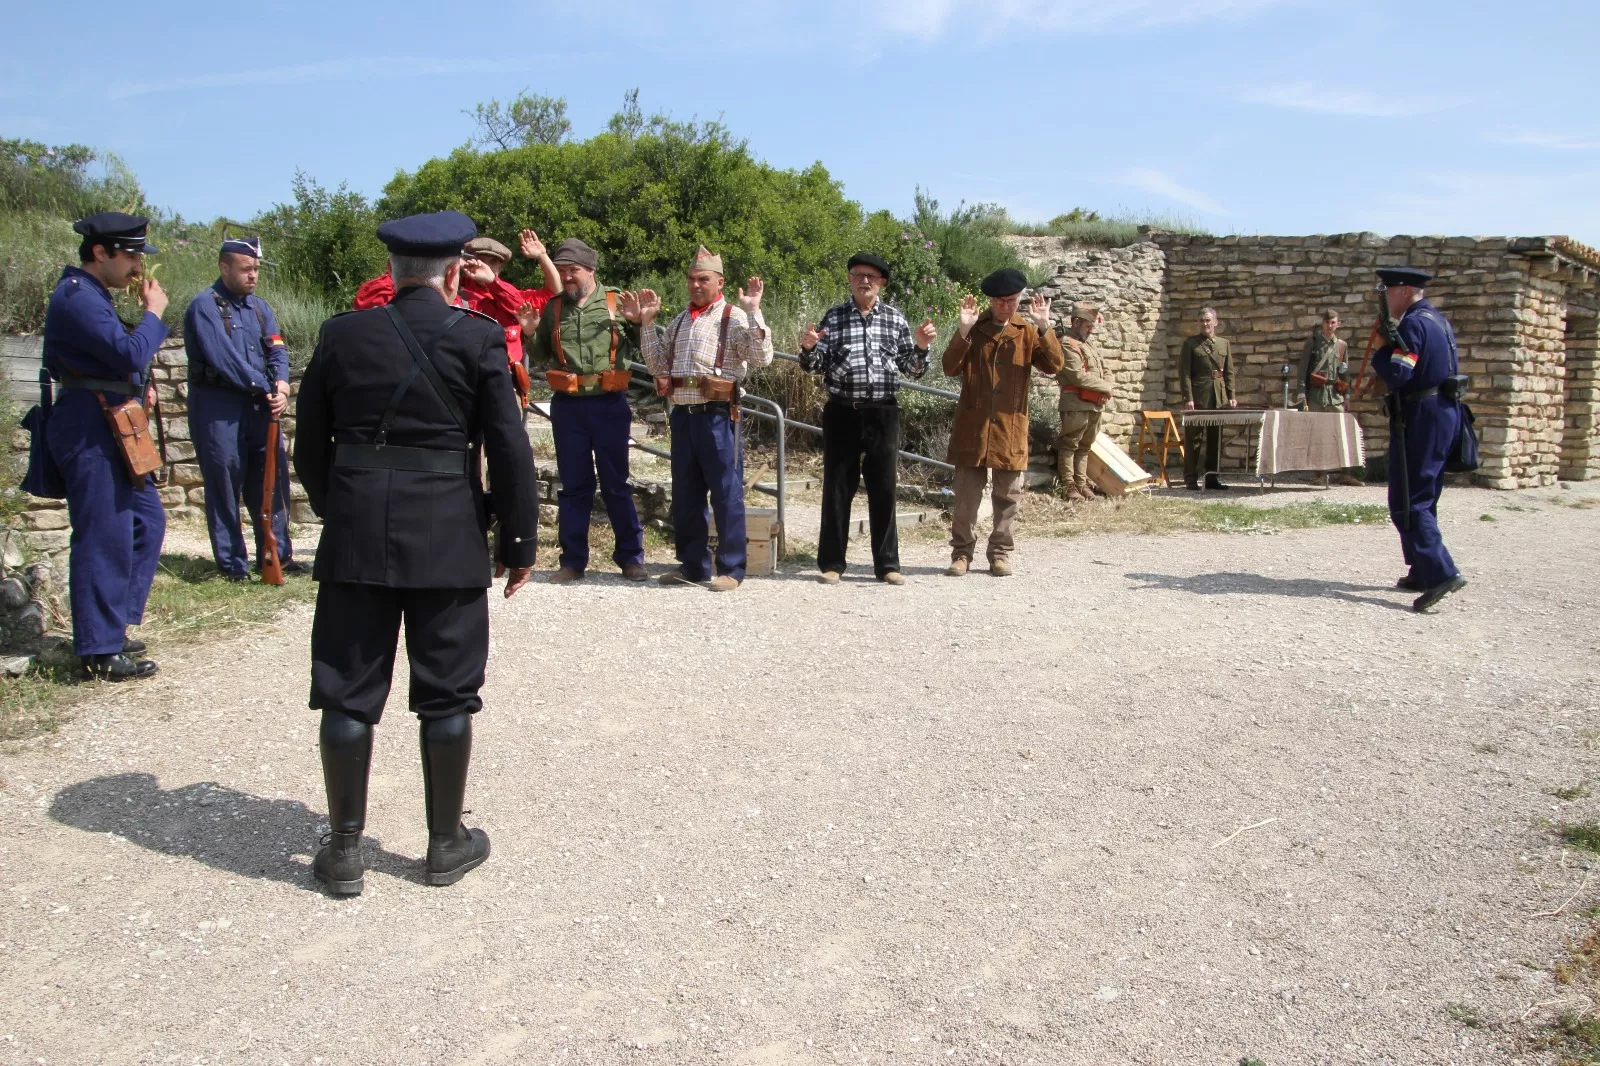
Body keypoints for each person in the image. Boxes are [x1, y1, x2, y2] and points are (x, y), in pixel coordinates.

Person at [293, 210, 540, 895]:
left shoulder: (342, 335)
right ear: (455, 271)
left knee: (346, 691)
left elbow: (309, 444)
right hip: (450, 533)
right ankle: (443, 845)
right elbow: (509, 448)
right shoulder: (480, 338)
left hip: (357, 534)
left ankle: (344, 854)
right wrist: (516, 539)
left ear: (393, 272)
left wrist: (336, 507)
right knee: (448, 692)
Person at [42, 213, 167, 681]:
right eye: (131, 254)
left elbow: (118, 358)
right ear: (100, 253)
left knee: (146, 522)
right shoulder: (77, 296)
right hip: (88, 427)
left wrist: (135, 387)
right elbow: (130, 351)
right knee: (102, 535)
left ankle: (111, 624)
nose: (137, 265)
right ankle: (98, 648)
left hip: (110, 420)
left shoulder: (92, 295)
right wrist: (154, 312)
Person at [631, 247, 771, 591]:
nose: (695, 284)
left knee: (726, 493)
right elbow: (658, 366)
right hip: (683, 416)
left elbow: (761, 357)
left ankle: (732, 568)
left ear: (719, 281)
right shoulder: (680, 320)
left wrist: (754, 312)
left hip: (719, 416)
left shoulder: (733, 316)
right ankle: (692, 565)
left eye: (703, 279)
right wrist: (646, 324)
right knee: (686, 494)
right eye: (692, 279)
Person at [797, 252, 936, 585]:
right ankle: (832, 563)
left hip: (883, 412)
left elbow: (912, 369)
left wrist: (920, 346)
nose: (864, 281)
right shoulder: (833, 316)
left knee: (884, 487)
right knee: (837, 487)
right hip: (842, 410)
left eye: (871, 277)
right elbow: (815, 367)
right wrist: (808, 349)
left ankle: (887, 565)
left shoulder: (896, 319)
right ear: (850, 279)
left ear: (881, 283)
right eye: (858, 275)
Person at [182, 235, 309, 582]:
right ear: (224, 268)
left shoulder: (259, 307)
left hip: (259, 406)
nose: (253, 275)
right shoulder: (204, 306)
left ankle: (278, 556)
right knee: (224, 479)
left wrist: (282, 383)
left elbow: (277, 347)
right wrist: (266, 386)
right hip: (218, 406)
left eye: (256, 269)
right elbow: (224, 360)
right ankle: (232, 563)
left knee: (271, 479)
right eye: (245, 269)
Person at [526, 238, 647, 584]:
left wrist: (639, 323)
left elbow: (642, 347)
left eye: (573, 270)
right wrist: (530, 333)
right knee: (574, 486)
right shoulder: (554, 308)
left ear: (590, 270)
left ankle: (631, 559)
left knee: (616, 484)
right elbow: (541, 355)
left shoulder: (615, 301)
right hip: (568, 407)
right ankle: (572, 561)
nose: (567, 277)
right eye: (562, 271)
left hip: (609, 404)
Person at [940, 269, 1064, 577]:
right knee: (966, 498)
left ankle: (1000, 554)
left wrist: (1045, 327)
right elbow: (949, 367)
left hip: (1010, 428)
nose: (1004, 306)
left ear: (1020, 299)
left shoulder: (1027, 332)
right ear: (990, 300)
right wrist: (963, 331)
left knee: (1008, 497)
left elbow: (1054, 366)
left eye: (1010, 301)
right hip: (973, 428)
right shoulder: (975, 328)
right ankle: (961, 554)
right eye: (998, 301)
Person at [1371, 266, 1467, 612]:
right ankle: (1420, 567)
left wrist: (1381, 350)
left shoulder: (1413, 324)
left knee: (1410, 499)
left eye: (1390, 291)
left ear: (1405, 291)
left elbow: (1399, 372)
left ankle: (1441, 572)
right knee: (1424, 493)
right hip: (1441, 413)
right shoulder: (1438, 321)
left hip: (1422, 416)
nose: (1387, 297)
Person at [1053, 301, 1114, 502]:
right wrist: (1105, 387)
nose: (1090, 331)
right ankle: (1069, 486)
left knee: (1085, 446)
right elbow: (1077, 377)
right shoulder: (1066, 344)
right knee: (1070, 444)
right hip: (1075, 402)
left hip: (1094, 403)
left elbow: (1107, 371)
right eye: (1087, 326)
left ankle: (1081, 484)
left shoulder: (1088, 345)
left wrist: (1108, 386)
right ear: (1076, 322)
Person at [1180, 306, 1237, 491]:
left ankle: (1212, 477)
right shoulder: (1190, 344)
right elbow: (1185, 374)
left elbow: (1229, 372)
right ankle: (1190, 478)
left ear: (1215, 322)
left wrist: (1231, 395)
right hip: (1198, 396)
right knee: (1194, 438)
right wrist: (1188, 397)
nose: (1205, 324)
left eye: (1208, 320)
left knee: (1215, 438)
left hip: (1218, 397)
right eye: (1202, 321)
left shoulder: (1224, 344)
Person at [1301, 309, 1350, 412]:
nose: (1330, 326)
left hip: (1335, 398)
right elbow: (1302, 371)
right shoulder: (1312, 344)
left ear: (1338, 324)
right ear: (1323, 323)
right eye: (1327, 322)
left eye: (1333, 322)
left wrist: (1347, 396)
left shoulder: (1342, 346)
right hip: (1315, 397)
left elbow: (1344, 373)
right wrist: (1301, 393)